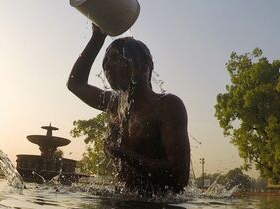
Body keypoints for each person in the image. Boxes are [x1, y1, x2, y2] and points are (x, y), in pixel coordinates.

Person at [67, 24, 190, 194]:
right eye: (106, 61)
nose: (107, 66)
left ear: (144, 65)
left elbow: (179, 177)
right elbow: (75, 83)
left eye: (116, 58)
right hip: (125, 200)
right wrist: (97, 37)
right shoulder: (113, 104)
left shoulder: (167, 105)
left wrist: (122, 153)